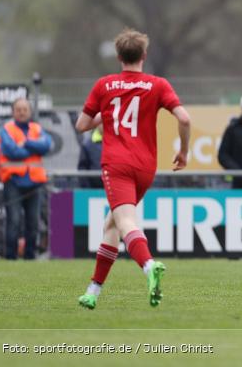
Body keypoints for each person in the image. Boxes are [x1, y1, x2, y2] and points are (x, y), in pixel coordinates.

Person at [74, 28, 191, 309]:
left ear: (118, 56)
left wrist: (107, 113)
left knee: (125, 221)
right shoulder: (158, 84)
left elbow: (81, 125)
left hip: (117, 164)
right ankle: (93, 291)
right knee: (111, 223)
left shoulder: (104, 85)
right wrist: (184, 152)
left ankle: (149, 266)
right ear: (144, 55)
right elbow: (184, 119)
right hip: (145, 166)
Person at [0, 98, 52, 260]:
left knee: (33, 223)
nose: (22, 112)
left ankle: (30, 257)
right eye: (18, 109)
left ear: (30, 112)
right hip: (13, 182)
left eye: (25, 109)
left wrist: (25, 143)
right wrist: (33, 147)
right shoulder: (6, 129)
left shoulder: (37, 128)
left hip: (34, 183)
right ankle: (11, 257)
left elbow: (46, 145)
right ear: (13, 112)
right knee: (13, 222)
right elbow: (11, 151)